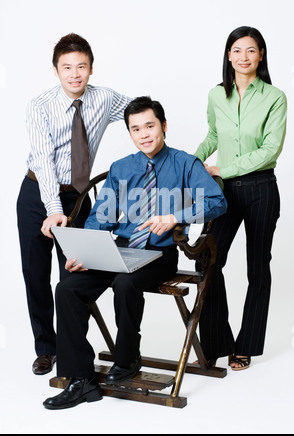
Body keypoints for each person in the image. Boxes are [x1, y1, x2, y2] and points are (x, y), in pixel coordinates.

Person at [42, 96, 227, 410]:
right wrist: (87, 250)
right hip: (120, 250)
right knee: (67, 288)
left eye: (150, 126)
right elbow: (100, 216)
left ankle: (127, 359)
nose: (144, 134)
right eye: (136, 128)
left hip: (159, 255)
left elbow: (217, 201)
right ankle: (81, 379)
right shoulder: (122, 168)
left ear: (163, 126)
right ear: (130, 133)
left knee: (125, 283)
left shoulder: (185, 164)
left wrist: (176, 215)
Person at [17, 33, 132, 375]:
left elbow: (139, 110)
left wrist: (152, 131)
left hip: (78, 198)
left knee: (74, 274)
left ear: (91, 68)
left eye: (81, 66)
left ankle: (73, 349)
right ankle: (46, 348)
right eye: (67, 67)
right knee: (35, 274)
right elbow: (44, 161)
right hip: (37, 193)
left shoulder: (104, 98)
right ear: (56, 70)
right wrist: (53, 209)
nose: (74, 74)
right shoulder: (40, 106)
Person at [194, 26, 287, 370]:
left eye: (251, 50)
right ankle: (218, 340)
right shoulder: (218, 94)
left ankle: (246, 345)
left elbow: (269, 149)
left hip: (261, 189)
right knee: (207, 261)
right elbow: (213, 134)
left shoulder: (275, 97)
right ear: (228, 55)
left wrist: (223, 169)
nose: (243, 57)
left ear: (260, 55)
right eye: (237, 50)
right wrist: (194, 161)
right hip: (223, 192)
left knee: (257, 268)